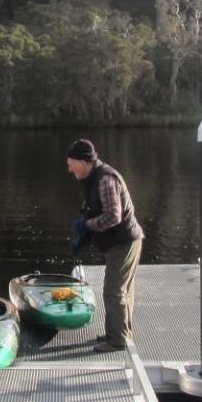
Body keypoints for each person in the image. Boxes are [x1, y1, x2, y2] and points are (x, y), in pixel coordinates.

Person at [66, 139, 143, 352]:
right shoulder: (93, 178)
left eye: (71, 163)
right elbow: (97, 211)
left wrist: (87, 225)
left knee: (114, 291)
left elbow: (113, 216)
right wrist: (84, 236)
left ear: (84, 162)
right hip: (119, 242)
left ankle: (117, 341)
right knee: (122, 291)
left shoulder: (105, 180)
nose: (69, 168)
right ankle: (119, 333)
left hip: (124, 242)